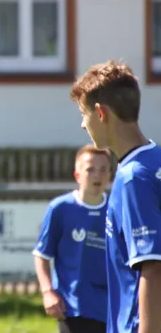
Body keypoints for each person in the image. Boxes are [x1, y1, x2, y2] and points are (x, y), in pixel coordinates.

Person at [70, 59, 161, 333]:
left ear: (100, 113)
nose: (82, 125)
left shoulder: (133, 177)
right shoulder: (154, 159)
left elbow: (152, 268)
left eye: (84, 114)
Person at [32, 144, 111, 333]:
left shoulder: (117, 208)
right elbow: (41, 254)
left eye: (103, 170)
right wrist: (48, 292)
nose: (97, 175)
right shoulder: (60, 208)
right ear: (77, 175)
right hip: (74, 308)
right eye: (90, 169)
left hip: (112, 307)